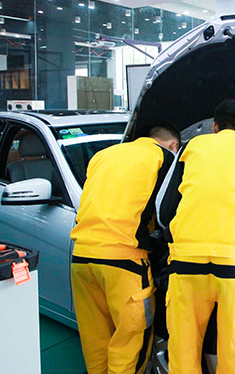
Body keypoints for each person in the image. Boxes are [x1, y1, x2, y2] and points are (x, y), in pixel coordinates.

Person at [156, 99, 235, 374]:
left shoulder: (190, 148)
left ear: (214, 126)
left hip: (186, 264)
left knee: (183, 350)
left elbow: (164, 211)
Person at [70, 125, 181, 374]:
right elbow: (168, 212)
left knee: (95, 337)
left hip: (82, 257)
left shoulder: (104, 155)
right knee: (131, 341)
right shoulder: (164, 158)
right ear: (173, 146)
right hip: (125, 261)